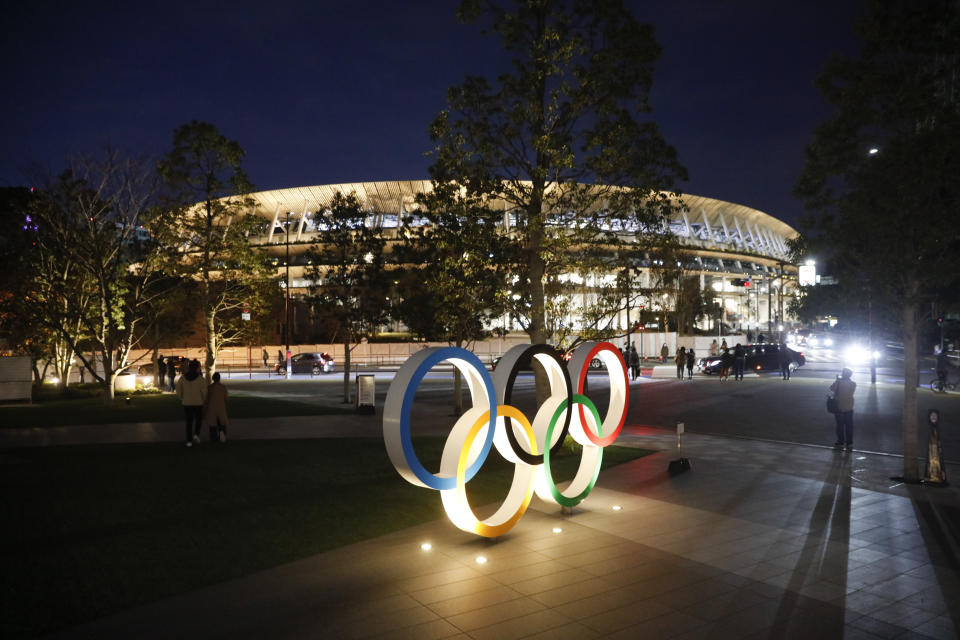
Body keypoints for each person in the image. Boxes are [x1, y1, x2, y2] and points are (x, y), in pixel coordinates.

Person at [176, 359, 207, 447]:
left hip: (187, 403)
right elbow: (204, 392)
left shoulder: (182, 378)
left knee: (189, 422)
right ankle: (196, 435)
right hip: (198, 403)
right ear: (197, 368)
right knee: (198, 420)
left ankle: (189, 441)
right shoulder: (201, 379)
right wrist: (204, 400)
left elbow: (178, 390)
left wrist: (182, 397)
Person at [830, 368, 856, 447]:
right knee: (849, 426)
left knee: (840, 426)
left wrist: (837, 380)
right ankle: (849, 442)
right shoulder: (853, 384)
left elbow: (832, 388)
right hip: (849, 407)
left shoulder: (839, 383)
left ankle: (841, 441)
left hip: (839, 406)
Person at [205, 372, 229, 443]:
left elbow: (207, 398)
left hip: (212, 408)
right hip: (221, 408)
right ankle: (222, 433)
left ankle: (213, 437)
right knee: (222, 422)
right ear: (219, 379)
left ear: (213, 379)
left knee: (212, 424)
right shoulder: (223, 387)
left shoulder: (209, 388)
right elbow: (226, 398)